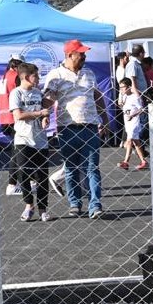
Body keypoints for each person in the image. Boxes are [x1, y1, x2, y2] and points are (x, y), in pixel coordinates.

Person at [41, 39, 110, 220]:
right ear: (70, 55)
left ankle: (95, 205)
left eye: (84, 53)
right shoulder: (56, 75)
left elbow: (97, 96)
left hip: (90, 127)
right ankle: (75, 203)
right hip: (66, 128)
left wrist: (105, 119)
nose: (84, 56)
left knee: (92, 168)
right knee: (71, 168)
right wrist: (44, 114)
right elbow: (48, 98)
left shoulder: (89, 73)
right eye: (81, 53)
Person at [9, 63, 52, 222]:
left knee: (42, 176)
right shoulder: (16, 93)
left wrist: (45, 117)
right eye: (36, 76)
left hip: (40, 140)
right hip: (23, 139)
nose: (38, 78)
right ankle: (29, 205)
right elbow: (18, 116)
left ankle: (43, 208)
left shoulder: (38, 93)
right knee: (23, 173)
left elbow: (45, 111)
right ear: (26, 77)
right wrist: (40, 113)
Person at [0, 55, 23, 195]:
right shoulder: (15, 77)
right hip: (14, 117)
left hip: (4, 117)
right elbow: (21, 95)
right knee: (18, 151)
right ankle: (12, 184)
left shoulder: (4, 76)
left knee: (17, 149)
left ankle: (22, 182)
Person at [117, 77, 148, 170]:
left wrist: (133, 115)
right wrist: (121, 105)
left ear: (129, 87)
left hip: (134, 122)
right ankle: (143, 161)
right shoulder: (125, 97)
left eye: (123, 87)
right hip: (127, 123)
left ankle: (126, 162)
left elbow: (141, 109)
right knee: (136, 142)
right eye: (120, 87)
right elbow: (125, 108)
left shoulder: (135, 97)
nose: (121, 89)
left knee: (129, 141)